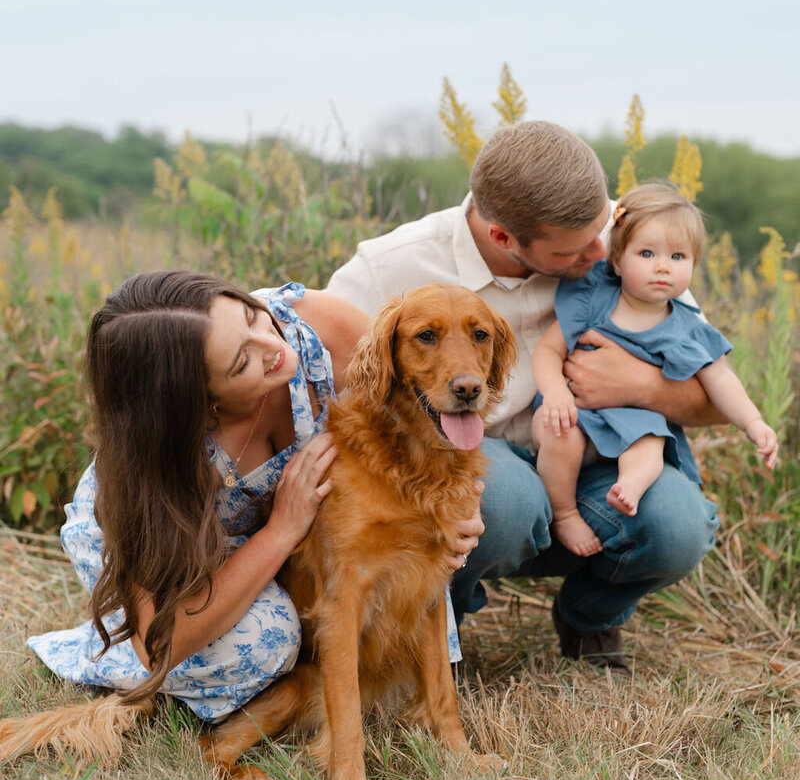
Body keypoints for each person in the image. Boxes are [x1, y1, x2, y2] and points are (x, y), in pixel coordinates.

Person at [327, 121, 723, 672]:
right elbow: (320, 386)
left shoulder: (628, 236)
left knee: (680, 525)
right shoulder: (391, 267)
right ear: (503, 238)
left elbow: (714, 395)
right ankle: (438, 633)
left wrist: (639, 386)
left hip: (599, 455)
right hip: (468, 464)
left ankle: (588, 618)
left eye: (601, 227)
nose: (600, 250)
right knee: (505, 499)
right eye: (573, 249)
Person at [22, 272, 477, 727]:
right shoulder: (168, 458)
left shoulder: (317, 327)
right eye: (242, 362)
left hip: (298, 544)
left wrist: (463, 505)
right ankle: (145, 677)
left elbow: (436, 395)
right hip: (180, 550)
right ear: (200, 403)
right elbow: (161, 639)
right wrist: (281, 531)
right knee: (268, 640)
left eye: (251, 316)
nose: (273, 345)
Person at [531, 182, 778, 558]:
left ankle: (628, 489)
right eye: (646, 253)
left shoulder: (689, 329)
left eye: (679, 256)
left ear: (694, 264)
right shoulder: (593, 299)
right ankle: (564, 513)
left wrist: (754, 423)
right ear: (616, 260)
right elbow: (548, 351)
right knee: (558, 432)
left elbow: (722, 380)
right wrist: (555, 392)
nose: (663, 266)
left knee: (651, 443)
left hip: (634, 421)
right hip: (574, 411)